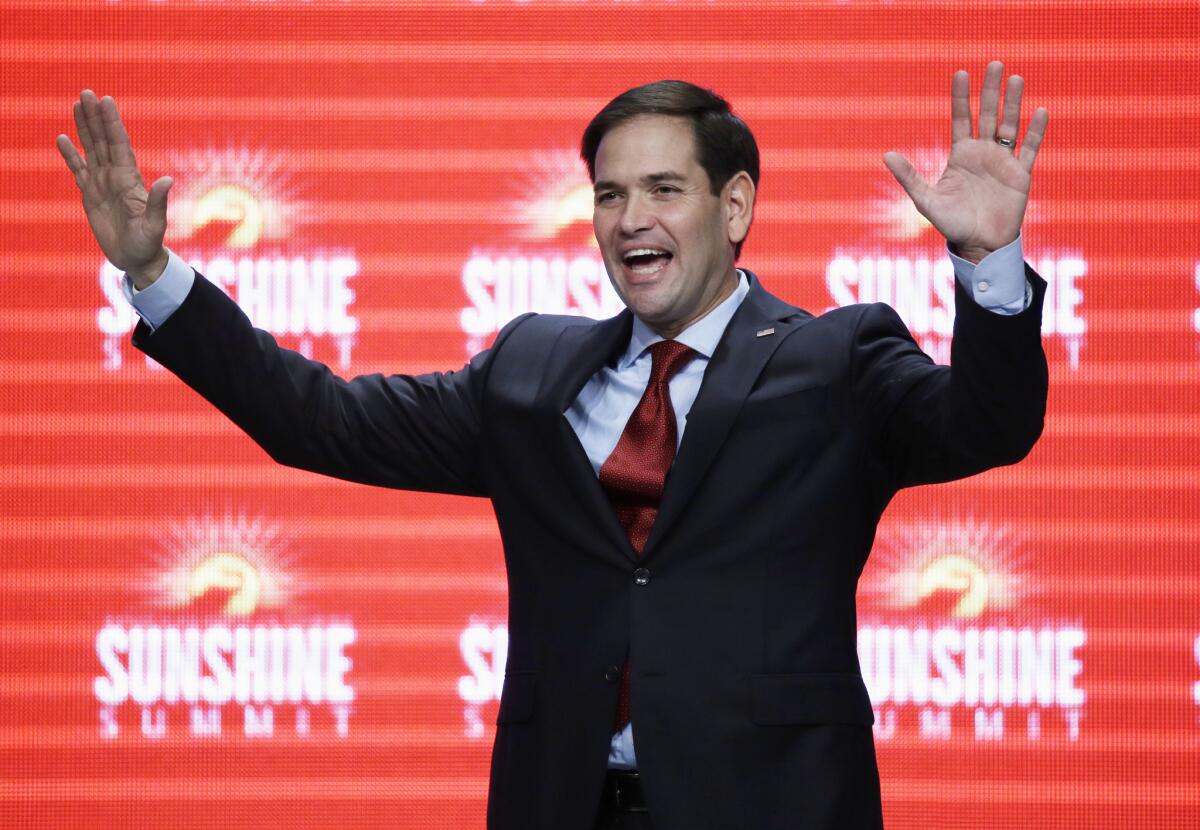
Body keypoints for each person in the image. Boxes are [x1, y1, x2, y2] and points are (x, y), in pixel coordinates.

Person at [58, 63, 1049, 830]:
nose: (631, 220)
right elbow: (318, 418)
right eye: (610, 195)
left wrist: (990, 264)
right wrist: (154, 275)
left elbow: (988, 424)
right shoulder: (531, 370)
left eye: (665, 187)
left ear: (736, 206)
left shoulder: (836, 358)